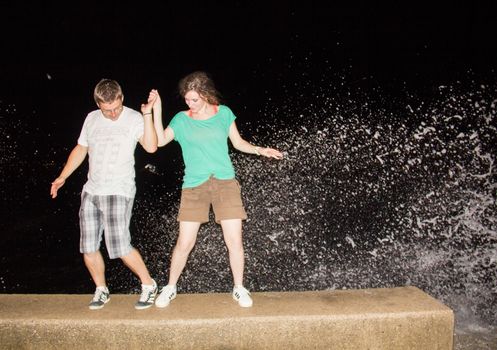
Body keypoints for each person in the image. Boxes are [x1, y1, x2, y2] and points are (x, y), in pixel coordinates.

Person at [151, 71, 283, 308]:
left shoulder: (223, 113)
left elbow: (238, 143)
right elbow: (159, 141)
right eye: (187, 99)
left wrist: (261, 150)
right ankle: (170, 287)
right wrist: (156, 108)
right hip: (194, 185)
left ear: (205, 94)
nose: (189, 103)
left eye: (194, 99)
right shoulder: (181, 119)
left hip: (225, 182)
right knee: (185, 242)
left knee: (234, 240)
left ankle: (239, 288)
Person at [50, 79, 159, 310]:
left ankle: (149, 285)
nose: (112, 114)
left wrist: (148, 114)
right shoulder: (91, 118)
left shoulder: (133, 118)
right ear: (98, 103)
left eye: (116, 108)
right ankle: (101, 289)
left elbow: (151, 147)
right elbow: (81, 148)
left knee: (119, 246)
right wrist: (63, 176)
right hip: (91, 190)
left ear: (122, 99)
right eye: (107, 109)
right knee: (88, 246)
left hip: (119, 190)